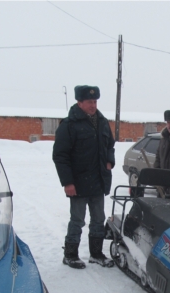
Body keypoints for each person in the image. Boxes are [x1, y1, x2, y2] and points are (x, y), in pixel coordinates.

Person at [53, 85, 115, 269]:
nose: (93, 105)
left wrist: (110, 161)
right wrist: (67, 182)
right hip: (78, 182)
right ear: (79, 102)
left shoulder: (102, 122)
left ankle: (96, 254)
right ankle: (70, 255)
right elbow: (60, 156)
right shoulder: (69, 125)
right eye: (89, 102)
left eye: (95, 102)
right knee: (78, 220)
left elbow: (110, 145)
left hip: (98, 180)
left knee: (98, 219)